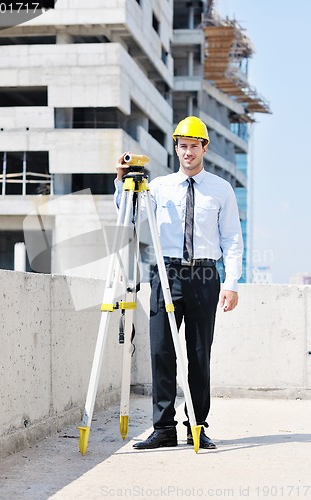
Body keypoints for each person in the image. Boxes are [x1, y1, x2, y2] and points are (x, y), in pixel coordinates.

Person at [114, 116, 243, 450]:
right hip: (166, 272)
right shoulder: (158, 186)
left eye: (193, 146)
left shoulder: (220, 189)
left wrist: (231, 282)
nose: (188, 152)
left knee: (199, 354)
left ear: (204, 148)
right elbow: (131, 215)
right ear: (176, 147)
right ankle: (163, 429)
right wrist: (121, 182)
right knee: (161, 351)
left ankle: (197, 426)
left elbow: (231, 239)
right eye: (182, 146)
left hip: (203, 275)